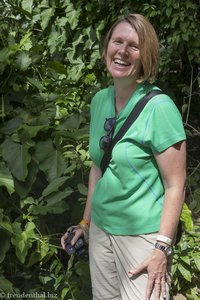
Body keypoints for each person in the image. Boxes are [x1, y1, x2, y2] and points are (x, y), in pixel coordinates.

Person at [61, 13, 186, 300]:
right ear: (106, 48)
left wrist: (162, 248)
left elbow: (175, 185)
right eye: (117, 41)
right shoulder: (100, 100)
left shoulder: (159, 108)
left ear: (146, 56)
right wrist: (85, 223)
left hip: (143, 237)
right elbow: (98, 167)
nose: (123, 51)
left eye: (134, 45)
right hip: (102, 230)